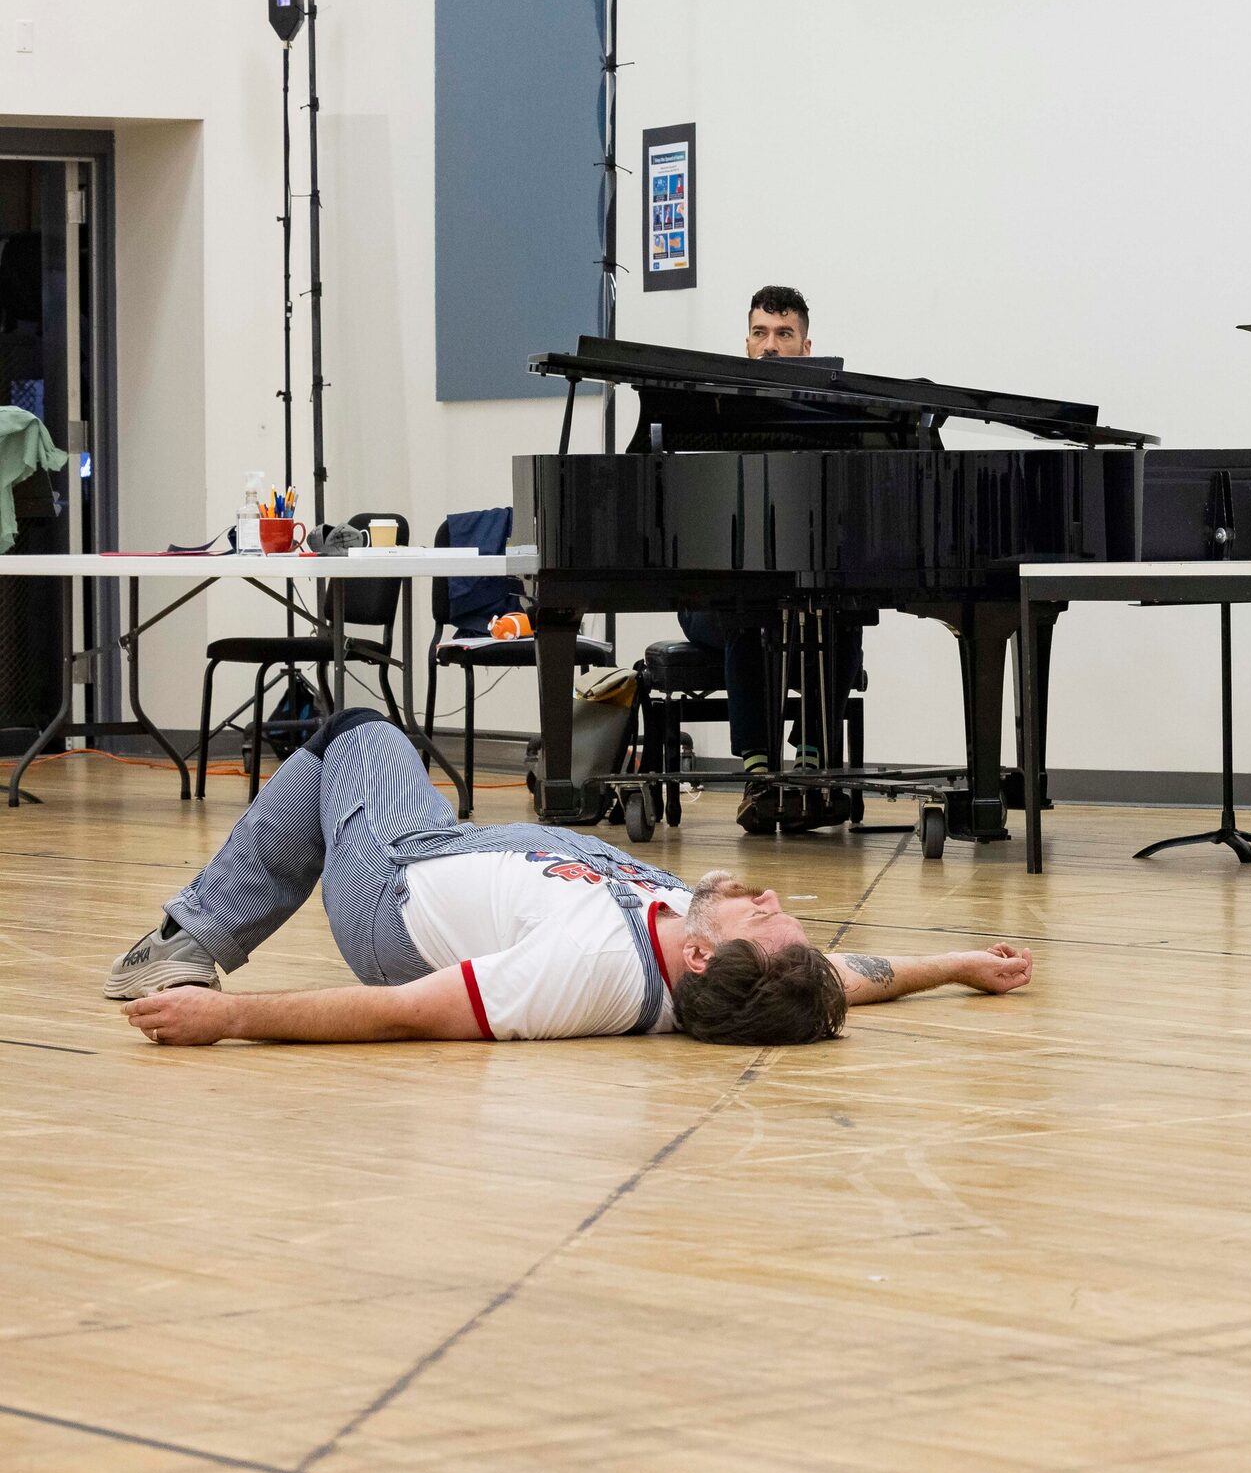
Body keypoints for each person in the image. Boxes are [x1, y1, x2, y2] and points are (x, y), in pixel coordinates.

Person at [103, 707, 1032, 1046]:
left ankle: (184, 952)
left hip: (392, 899)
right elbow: (851, 977)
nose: (774, 900)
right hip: (451, 845)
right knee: (327, 761)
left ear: (704, 959)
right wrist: (955, 963)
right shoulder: (723, 957)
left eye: (762, 918)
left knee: (355, 733)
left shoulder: (593, 972)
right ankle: (189, 936)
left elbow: (408, 1014)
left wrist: (227, 1021)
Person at [677, 283, 871, 830]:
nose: (770, 345)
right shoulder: (711, 412)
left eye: (784, 334)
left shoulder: (836, 422)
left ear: (806, 348)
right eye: (761, 334)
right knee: (751, 610)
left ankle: (811, 764)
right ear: (746, 343)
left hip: (803, 595)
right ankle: (759, 774)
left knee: (839, 613)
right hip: (714, 600)